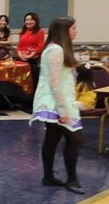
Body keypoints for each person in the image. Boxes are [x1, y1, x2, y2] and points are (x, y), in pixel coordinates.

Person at [31, 16, 85, 193]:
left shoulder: (57, 49)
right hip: (55, 102)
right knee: (75, 138)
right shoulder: (56, 50)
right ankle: (72, 179)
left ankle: (48, 177)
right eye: (74, 28)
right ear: (64, 31)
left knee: (53, 137)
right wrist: (63, 110)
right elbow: (54, 83)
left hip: (59, 100)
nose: (76, 31)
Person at [16, 12, 46, 94]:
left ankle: (31, 99)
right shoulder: (23, 31)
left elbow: (40, 46)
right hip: (21, 60)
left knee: (32, 81)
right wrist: (20, 55)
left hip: (33, 61)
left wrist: (30, 56)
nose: (28, 22)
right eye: (27, 20)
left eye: (31, 20)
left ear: (36, 21)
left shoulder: (40, 32)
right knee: (21, 80)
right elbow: (19, 46)